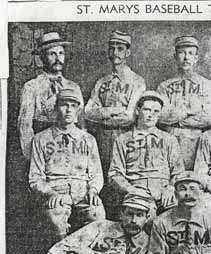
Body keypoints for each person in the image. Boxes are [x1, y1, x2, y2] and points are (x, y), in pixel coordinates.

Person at [29, 88, 105, 242]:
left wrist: (94, 191)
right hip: (57, 192)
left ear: (78, 110)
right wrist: (50, 193)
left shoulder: (88, 139)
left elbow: (96, 173)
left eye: (73, 105)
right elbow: (35, 178)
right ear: (56, 108)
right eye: (64, 105)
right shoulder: (40, 139)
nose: (69, 110)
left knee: (98, 216)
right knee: (56, 221)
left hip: (83, 191)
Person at [108, 91, 185, 214]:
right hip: (136, 191)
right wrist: (131, 189)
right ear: (138, 110)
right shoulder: (123, 139)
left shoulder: (169, 139)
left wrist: (170, 188)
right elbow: (114, 174)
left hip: (164, 191)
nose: (151, 115)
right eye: (147, 110)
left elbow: (178, 171)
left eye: (156, 112)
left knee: (177, 216)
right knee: (142, 218)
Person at [85, 31, 146, 175]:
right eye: (112, 48)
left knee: (125, 176)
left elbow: (130, 116)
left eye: (120, 49)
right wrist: (112, 111)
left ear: (128, 52)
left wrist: (102, 113)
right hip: (103, 138)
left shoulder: (137, 81)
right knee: (104, 178)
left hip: (127, 137)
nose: (115, 52)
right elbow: (87, 112)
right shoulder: (102, 82)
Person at [18, 32, 84, 160]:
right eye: (52, 54)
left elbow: (80, 122)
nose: (57, 58)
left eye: (61, 53)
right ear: (42, 57)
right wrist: (32, 157)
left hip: (69, 150)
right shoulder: (31, 87)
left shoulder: (74, 87)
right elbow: (25, 125)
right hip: (43, 148)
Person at [157, 36, 211, 170]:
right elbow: (160, 117)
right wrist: (188, 112)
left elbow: (206, 118)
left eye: (190, 53)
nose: (186, 57)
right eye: (182, 52)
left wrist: (176, 119)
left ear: (196, 58)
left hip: (195, 140)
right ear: (175, 56)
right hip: (169, 139)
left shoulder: (207, 85)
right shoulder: (164, 86)